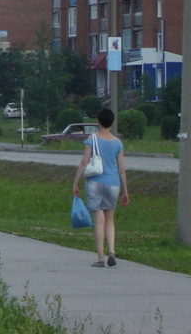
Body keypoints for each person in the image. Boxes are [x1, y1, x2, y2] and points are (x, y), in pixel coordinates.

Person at [72, 107, 129, 268]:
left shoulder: (92, 139)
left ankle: (100, 258)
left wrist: (75, 182)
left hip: (94, 183)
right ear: (112, 122)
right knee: (110, 219)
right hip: (113, 184)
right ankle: (111, 250)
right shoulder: (118, 143)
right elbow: (122, 169)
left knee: (99, 220)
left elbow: (84, 162)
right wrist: (125, 191)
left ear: (98, 122)